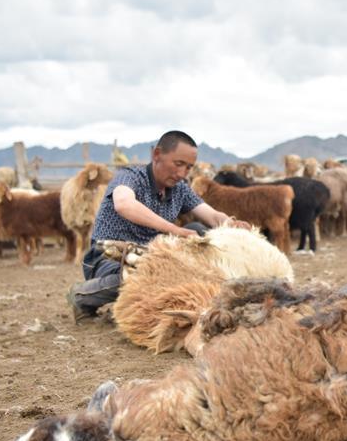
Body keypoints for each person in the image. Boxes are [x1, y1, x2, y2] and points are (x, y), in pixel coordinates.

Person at [66, 130, 235, 321]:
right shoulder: (130, 177)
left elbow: (211, 215)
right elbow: (123, 204)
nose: (182, 173)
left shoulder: (180, 189)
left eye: (188, 167)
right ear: (157, 155)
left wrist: (231, 223)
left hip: (151, 257)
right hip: (108, 258)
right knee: (142, 275)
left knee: (199, 231)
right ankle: (81, 295)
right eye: (178, 164)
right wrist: (175, 230)